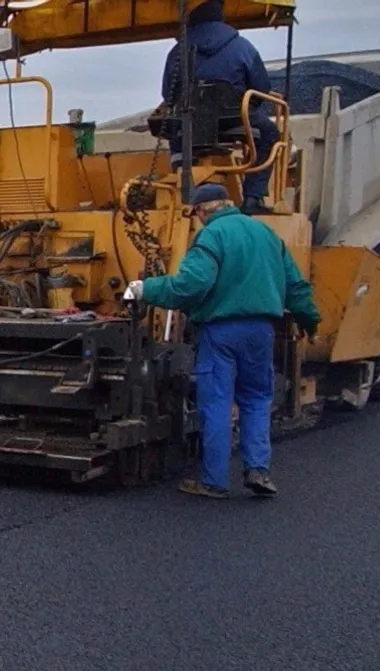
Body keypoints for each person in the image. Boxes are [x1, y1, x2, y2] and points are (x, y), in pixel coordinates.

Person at [123, 182, 320, 499]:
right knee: (256, 400)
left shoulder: (212, 235)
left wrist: (144, 289)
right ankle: (258, 470)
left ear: (202, 210)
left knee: (216, 403)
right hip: (261, 331)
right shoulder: (267, 235)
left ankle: (214, 481)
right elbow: (296, 287)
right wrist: (310, 321)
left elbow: (191, 285)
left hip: (221, 332)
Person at [161, 0, 278, 214]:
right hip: (234, 119)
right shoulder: (243, 47)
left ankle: (183, 183)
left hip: (190, 122)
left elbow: (168, 93)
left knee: (175, 128)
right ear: (221, 19)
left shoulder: (178, 51)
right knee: (270, 134)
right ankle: (253, 198)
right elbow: (262, 87)